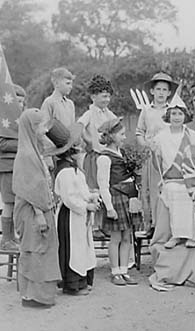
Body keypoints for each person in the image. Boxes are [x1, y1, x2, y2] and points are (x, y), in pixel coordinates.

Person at [149, 94, 195, 291]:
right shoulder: (161, 136)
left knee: (187, 200)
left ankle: (190, 235)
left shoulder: (192, 136)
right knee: (172, 194)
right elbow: (158, 162)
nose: (177, 117)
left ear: (185, 116)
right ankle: (176, 235)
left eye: (180, 114)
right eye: (173, 114)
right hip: (170, 179)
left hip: (189, 180)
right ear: (168, 115)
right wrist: (154, 152)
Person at [12, 109, 60, 308]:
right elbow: (28, 187)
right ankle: (32, 296)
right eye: (40, 126)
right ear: (31, 128)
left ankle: (43, 294)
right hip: (33, 212)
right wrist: (40, 214)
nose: (43, 130)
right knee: (35, 250)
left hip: (42, 208)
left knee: (45, 249)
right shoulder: (25, 154)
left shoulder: (35, 150)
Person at [50, 122, 99, 296]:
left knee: (83, 246)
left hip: (79, 214)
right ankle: (72, 284)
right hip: (70, 215)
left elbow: (80, 190)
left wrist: (91, 196)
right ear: (71, 153)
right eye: (79, 150)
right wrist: (86, 205)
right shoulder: (65, 172)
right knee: (73, 248)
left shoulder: (75, 170)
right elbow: (70, 198)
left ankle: (83, 279)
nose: (81, 153)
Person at [96, 118, 140, 286]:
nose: (124, 137)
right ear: (112, 136)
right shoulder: (105, 158)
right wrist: (109, 207)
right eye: (121, 134)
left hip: (127, 197)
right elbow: (103, 184)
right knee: (116, 238)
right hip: (115, 199)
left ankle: (124, 270)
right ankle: (115, 271)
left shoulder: (122, 153)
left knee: (127, 236)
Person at [136, 72, 178, 233]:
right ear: (152, 91)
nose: (161, 93)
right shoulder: (146, 111)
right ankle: (152, 224)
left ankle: (168, 225)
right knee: (151, 190)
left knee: (167, 188)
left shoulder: (172, 111)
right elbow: (139, 132)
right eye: (158, 89)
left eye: (164, 90)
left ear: (169, 93)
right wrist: (147, 145)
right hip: (150, 156)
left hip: (167, 157)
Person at [77, 75, 117, 240]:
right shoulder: (89, 113)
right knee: (94, 190)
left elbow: (117, 127)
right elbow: (79, 126)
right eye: (103, 96)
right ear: (93, 96)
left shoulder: (109, 114)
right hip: (94, 157)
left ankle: (103, 224)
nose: (106, 99)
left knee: (105, 188)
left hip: (107, 157)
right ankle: (93, 226)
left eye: (108, 96)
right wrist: (87, 139)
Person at [0, 84, 26, 251]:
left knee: (17, 203)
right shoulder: (3, 120)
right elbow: (1, 143)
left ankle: (13, 237)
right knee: (9, 203)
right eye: (17, 101)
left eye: (22, 102)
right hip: (6, 167)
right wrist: (23, 142)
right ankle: (6, 240)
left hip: (19, 167)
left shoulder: (20, 121)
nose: (19, 105)